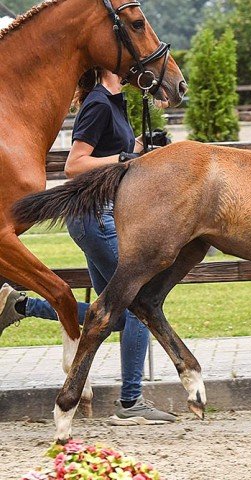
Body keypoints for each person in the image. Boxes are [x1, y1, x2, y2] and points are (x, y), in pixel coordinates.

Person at [0, 67, 175, 426]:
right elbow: (75, 166)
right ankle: (131, 401)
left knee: (109, 313)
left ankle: (21, 305)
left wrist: (142, 147)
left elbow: (114, 153)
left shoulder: (114, 101)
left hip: (104, 217)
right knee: (139, 302)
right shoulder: (98, 103)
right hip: (96, 218)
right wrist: (126, 160)